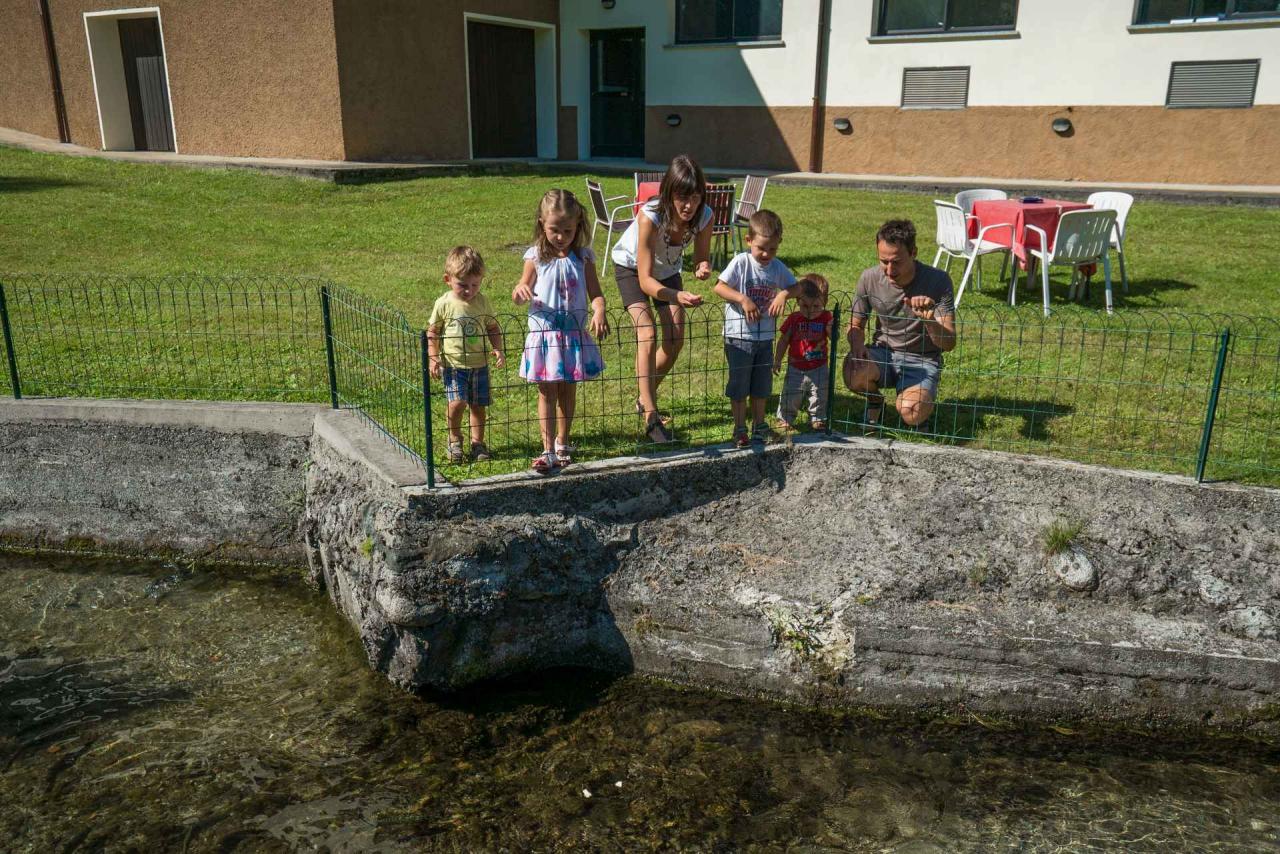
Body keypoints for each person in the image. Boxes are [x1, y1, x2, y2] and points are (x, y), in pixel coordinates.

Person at [611, 154, 713, 444]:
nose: (689, 205)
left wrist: (702, 266)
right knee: (647, 333)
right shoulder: (650, 216)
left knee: (675, 338)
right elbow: (644, 280)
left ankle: (644, 395)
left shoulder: (705, 216)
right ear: (669, 193)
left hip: (667, 270)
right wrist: (677, 295)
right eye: (682, 197)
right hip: (632, 269)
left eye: (695, 197)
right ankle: (651, 416)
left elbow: (702, 257)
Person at [514, 189, 609, 473]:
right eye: (554, 229)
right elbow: (521, 289)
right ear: (542, 224)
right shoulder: (536, 257)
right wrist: (520, 292)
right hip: (545, 335)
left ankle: (563, 442)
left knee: (568, 389)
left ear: (578, 226)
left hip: (572, 336)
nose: (560, 236)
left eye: (567, 230)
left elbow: (596, 293)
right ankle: (546, 449)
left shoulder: (584, 258)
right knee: (547, 392)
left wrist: (600, 309)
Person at [843, 219, 957, 429]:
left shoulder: (938, 281)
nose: (889, 270)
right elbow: (855, 323)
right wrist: (856, 345)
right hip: (883, 353)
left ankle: (915, 400)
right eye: (883, 261)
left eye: (896, 262)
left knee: (911, 412)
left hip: (922, 360)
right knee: (852, 371)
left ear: (913, 253)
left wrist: (929, 320)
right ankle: (875, 400)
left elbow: (949, 343)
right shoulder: (869, 278)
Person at [713, 209, 798, 447]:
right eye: (761, 247)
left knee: (761, 385)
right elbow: (719, 288)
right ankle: (740, 428)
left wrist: (783, 294)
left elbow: (797, 288)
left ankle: (759, 424)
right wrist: (742, 299)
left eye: (772, 249)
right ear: (749, 240)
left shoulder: (777, 267)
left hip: (765, 337)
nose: (766, 254)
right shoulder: (741, 262)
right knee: (740, 385)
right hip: (738, 337)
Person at [426, 245, 504, 463]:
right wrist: (434, 357)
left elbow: (492, 327)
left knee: (478, 405)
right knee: (457, 403)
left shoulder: (482, 302)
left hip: (479, 364)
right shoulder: (444, 303)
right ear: (447, 280)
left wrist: (497, 348)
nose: (469, 290)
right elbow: (433, 331)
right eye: (463, 285)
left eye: (475, 285)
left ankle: (478, 444)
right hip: (454, 365)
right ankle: (454, 439)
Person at [773, 274, 833, 432]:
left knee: (819, 395)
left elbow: (835, 338)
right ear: (797, 301)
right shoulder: (794, 319)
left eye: (816, 306)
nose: (810, 312)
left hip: (819, 366)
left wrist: (830, 329)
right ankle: (785, 417)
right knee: (791, 394)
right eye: (805, 306)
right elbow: (783, 340)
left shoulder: (826, 318)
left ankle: (818, 418)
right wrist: (777, 360)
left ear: (824, 303)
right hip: (796, 366)